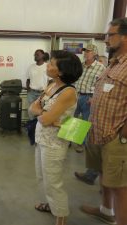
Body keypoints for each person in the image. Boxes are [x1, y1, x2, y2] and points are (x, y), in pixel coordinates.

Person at [80, 18, 127, 225]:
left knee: (120, 185)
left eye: (110, 35)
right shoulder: (114, 63)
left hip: (116, 137)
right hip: (99, 132)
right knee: (104, 175)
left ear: (125, 37)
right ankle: (106, 210)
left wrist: (124, 134)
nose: (106, 40)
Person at [29, 50, 83, 225]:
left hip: (55, 143)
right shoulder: (52, 84)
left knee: (54, 182)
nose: (48, 66)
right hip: (41, 138)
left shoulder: (68, 92)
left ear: (61, 71)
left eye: (52, 64)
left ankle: (61, 217)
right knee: (42, 177)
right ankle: (51, 206)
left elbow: (44, 117)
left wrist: (44, 115)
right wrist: (45, 115)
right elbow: (32, 108)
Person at [73, 44, 106, 185]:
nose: (86, 53)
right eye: (85, 51)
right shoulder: (80, 65)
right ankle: (76, 143)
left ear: (95, 54)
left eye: (89, 51)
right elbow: (75, 79)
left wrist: (94, 97)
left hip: (88, 98)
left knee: (85, 123)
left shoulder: (101, 68)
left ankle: (83, 144)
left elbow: (102, 85)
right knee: (72, 121)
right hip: (76, 95)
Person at [26, 49, 49, 119]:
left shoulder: (47, 66)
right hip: (31, 93)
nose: (35, 56)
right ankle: (31, 128)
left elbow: (51, 81)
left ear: (43, 55)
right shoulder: (31, 67)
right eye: (34, 55)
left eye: (37, 55)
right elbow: (28, 79)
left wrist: (46, 92)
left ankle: (38, 128)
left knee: (41, 112)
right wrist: (28, 89)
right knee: (31, 111)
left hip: (43, 93)